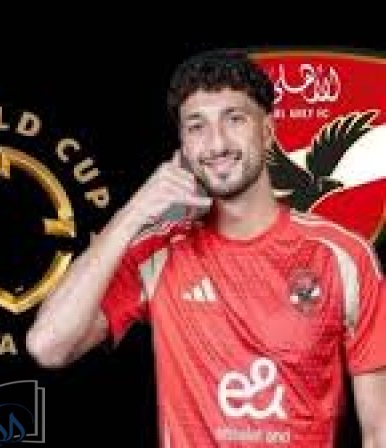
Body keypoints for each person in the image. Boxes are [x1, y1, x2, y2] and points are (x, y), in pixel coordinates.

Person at [26, 49, 386, 446]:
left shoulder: (342, 256)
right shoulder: (159, 252)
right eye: (197, 126)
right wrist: (132, 213)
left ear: (267, 131)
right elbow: (48, 346)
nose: (216, 144)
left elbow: (379, 431)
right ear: (182, 144)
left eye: (234, 119)